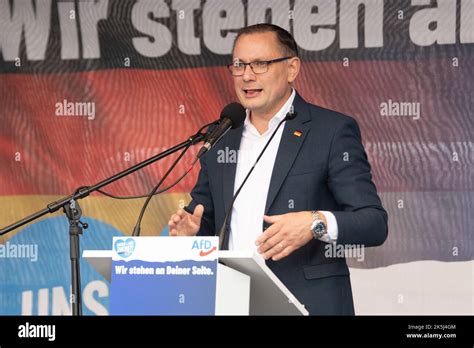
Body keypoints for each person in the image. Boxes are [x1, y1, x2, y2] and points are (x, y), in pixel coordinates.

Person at [168, 23, 388, 315]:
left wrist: (314, 223)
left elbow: (374, 223)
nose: (247, 75)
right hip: (232, 301)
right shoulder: (220, 137)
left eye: (260, 64)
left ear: (292, 68)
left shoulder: (331, 131)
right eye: (239, 64)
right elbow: (205, 223)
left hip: (307, 305)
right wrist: (189, 236)